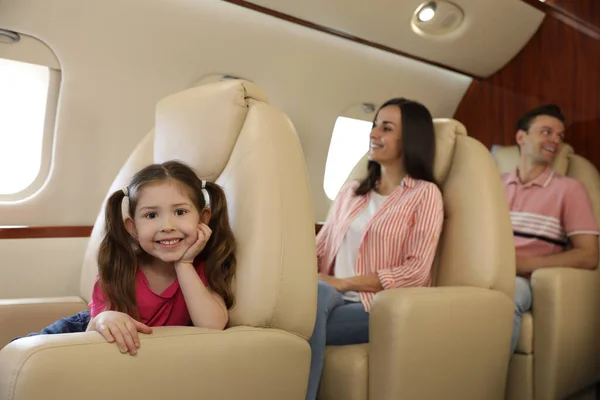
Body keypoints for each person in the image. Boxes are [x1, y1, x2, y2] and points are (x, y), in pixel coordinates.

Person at [14, 160, 237, 356]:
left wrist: (184, 264)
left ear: (203, 218)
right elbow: (94, 328)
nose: (167, 226)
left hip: (135, 352)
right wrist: (105, 318)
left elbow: (213, 326)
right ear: (133, 227)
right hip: (87, 328)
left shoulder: (202, 269)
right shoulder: (122, 267)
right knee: (19, 352)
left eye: (180, 212)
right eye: (151, 215)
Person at [306, 98, 445, 399]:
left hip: (377, 308)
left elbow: (417, 272)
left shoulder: (426, 195)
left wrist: (343, 283)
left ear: (411, 138)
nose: (373, 133)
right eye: (374, 125)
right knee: (309, 300)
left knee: (306, 316)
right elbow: (320, 248)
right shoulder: (350, 193)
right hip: (329, 299)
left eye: (386, 127)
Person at [502, 104, 599, 354]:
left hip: (521, 281)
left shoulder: (570, 189)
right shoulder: (494, 183)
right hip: (483, 274)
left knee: (507, 296)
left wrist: (523, 263)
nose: (555, 140)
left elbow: (588, 255)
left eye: (560, 136)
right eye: (547, 132)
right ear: (521, 137)